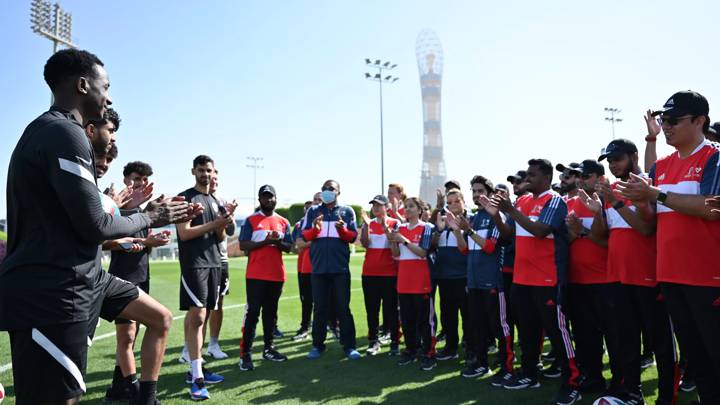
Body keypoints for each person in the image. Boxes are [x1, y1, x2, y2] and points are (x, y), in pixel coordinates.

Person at [0, 49, 196, 405]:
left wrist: (130, 212)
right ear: (82, 84)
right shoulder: (63, 132)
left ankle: (144, 398)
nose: (109, 96)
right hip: (54, 290)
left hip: (84, 278)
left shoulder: (54, 132)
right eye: (105, 86)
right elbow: (96, 224)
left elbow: (79, 219)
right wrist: (151, 216)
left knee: (159, 318)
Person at [618, 91, 720, 404]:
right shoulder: (662, 166)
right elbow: (651, 222)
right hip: (672, 277)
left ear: (700, 121)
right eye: (664, 120)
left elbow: (713, 208)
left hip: (708, 278)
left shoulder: (714, 156)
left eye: (674, 120)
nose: (667, 127)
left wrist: (656, 195)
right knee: (698, 361)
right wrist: (639, 200)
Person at [580, 138, 678, 404]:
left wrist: (617, 202)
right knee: (627, 342)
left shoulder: (644, 185)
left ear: (633, 156)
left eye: (618, 159)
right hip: (617, 277)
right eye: (610, 161)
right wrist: (600, 210)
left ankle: (668, 396)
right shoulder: (609, 190)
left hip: (648, 276)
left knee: (661, 343)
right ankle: (632, 393)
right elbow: (601, 239)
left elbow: (647, 229)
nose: (613, 165)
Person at [491, 158, 581, 405]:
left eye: (532, 175)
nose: (527, 179)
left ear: (546, 178)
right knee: (528, 330)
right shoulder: (521, 201)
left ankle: (572, 381)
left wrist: (511, 211)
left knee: (557, 331)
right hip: (522, 279)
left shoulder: (554, 200)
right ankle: (530, 374)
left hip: (547, 278)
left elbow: (540, 230)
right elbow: (508, 235)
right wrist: (498, 216)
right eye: (527, 175)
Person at [104, 161, 174, 402]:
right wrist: (145, 243)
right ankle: (135, 391)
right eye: (135, 178)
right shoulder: (114, 208)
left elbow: (139, 245)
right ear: (125, 179)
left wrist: (153, 239)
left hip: (142, 277)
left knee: (133, 335)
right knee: (127, 337)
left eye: (144, 180)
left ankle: (118, 386)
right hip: (120, 279)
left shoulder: (143, 213)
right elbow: (107, 242)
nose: (140, 184)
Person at [176, 155, 233, 400]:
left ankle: (196, 368)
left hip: (213, 264)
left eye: (209, 170)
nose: (205, 174)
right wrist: (216, 224)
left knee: (204, 314)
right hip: (194, 264)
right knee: (198, 315)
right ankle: (197, 377)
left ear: (214, 172)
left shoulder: (214, 200)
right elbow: (185, 233)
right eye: (201, 170)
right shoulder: (184, 198)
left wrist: (223, 222)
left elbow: (220, 238)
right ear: (193, 171)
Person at [564, 160, 622, 394]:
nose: (580, 180)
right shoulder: (569, 204)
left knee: (615, 337)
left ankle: (620, 382)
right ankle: (593, 377)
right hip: (578, 282)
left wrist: (584, 231)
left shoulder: (611, 200)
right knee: (585, 337)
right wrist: (575, 233)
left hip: (607, 280)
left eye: (586, 176)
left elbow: (610, 243)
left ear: (600, 177)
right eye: (578, 176)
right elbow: (564, 243)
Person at [457, 175, 515, 384]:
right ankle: (481, 364)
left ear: (490, 194)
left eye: (480, 190)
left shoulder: (496, 216)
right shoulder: (473, 217)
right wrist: (458, 230)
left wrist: (469, 231)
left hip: (492, 280)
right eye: (473, 191)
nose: (476, 194)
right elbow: (464, 250)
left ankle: (507, 367)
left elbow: (490, 247)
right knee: (477, 325)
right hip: (473, 282)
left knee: (500, 326)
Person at [302, 180, 360, 360]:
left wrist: (343, 231)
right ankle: (317, 345)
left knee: (343, 308)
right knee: (319, 309)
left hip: (340, 269)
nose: (327, 192)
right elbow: (304, 236)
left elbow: (352, 237)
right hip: (318, 269)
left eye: (331, 189)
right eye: (324, 189)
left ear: (338, 192)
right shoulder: (313, 211)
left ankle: (349, 346)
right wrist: (315, 229)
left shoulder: (347, 211)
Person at [238, 185, 293, 370]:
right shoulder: (251, 220)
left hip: (277, 275)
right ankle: (245, 354)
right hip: (256, 275)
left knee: (271, 313)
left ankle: (269, 349)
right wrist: (266, 242)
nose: (268, 200)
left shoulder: (284, 221)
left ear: (276, 199)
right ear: (260, 199)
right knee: (253, 313)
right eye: (264, 197)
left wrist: (277, 243)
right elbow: (243, 245)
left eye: (271, 197)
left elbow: (289, 247)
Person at [388, 197, 436, 370]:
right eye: (405, 207)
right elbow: (395, 254)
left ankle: (429, 353)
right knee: (407, 320)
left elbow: (423, 252)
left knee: (425, 320)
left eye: (411, 207)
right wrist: (393, 240)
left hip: (421, 280)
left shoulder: (427, 227)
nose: (407, 209)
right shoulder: (399, 228)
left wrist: (404, 241)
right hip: (404, 281)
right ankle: (410, 350)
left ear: (420, 209)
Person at [359, 195, 401, 356]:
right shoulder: (368, 224)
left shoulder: (394, 223)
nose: (376, 208)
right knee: (372, 309)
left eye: (379, 205)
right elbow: (365, 244)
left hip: (389, 273)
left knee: (391, 309)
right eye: (374, 205)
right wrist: (365, 225)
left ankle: (395, 342)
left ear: (387, 207)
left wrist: (384, 227)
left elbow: (394, 245)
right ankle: (373, 341)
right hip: (369, 273)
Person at [431, 189, 470, 361]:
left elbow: (465, 250)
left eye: (456, 201)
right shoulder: (443, 221)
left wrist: (456, 230)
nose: (453, 205)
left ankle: (471, 348)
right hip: (444, 277)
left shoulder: (469, 221)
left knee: (468, 316)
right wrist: (439, 230)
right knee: (448, 316)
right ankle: (451, 347)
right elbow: (431, 246)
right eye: (450, 202)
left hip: (463, 276)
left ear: (463, 202)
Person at [205, 169, 236, 359]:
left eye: (216, 178)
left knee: (218, 303)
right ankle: (189, 348)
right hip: (201, 259)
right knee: (198, 307)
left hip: (221, 260)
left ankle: (213, 344)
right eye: (211, 177)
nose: (213, 181)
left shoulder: (222, 202)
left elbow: (231, 231)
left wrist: (229, 216)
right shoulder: (197, 200)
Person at [292, 195, 320, 341]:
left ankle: (329, 325)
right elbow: (299, 245)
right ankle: (305, 327)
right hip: (306, 267)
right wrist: (317, 238)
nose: (317, 203)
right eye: (316, 200)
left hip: (325, 266)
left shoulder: (334, 220)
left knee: (326, 299)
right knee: (307, 300)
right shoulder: (301, 223)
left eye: (319, 200)